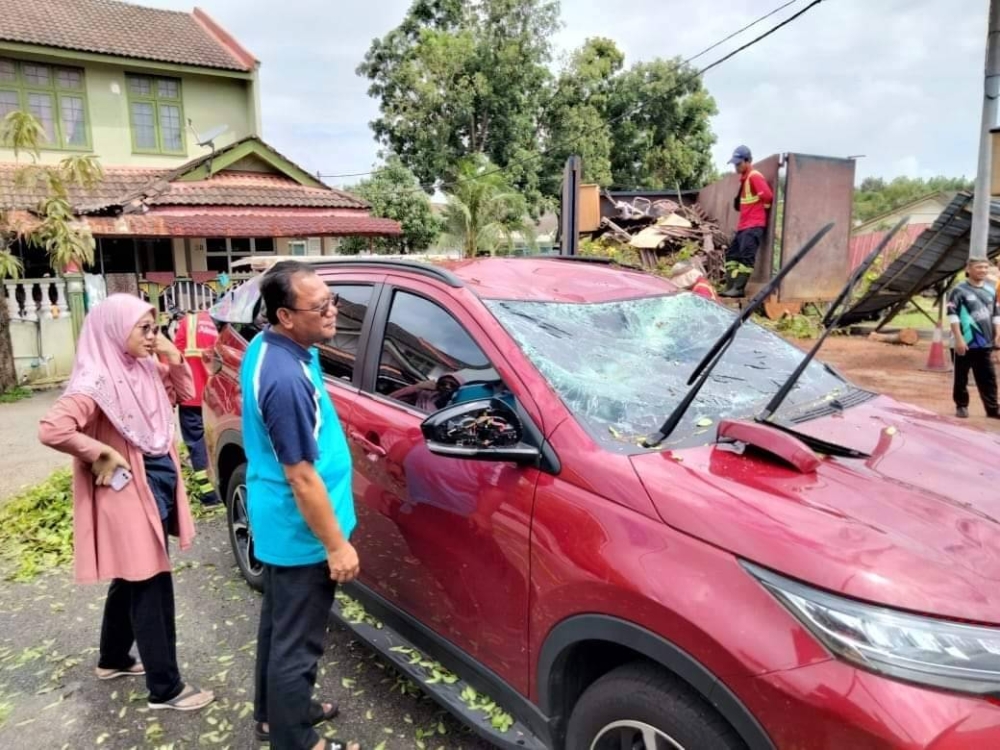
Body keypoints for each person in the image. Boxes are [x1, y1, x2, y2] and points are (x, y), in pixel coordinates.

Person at [37, 294, 214, 712]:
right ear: (116, 330)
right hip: (127, 488)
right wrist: (99, 451)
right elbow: (52, 428)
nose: (153, 336)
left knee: (133, 575)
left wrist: (172, 355)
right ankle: (165, 688)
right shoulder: (95, 381)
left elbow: (184, 393)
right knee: (151, 580)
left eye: (155, 328)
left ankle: (112, 658)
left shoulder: (144, 367)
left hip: (156, 478)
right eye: (145, 329)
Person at [242, 261, 361, 750]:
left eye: (331, 299)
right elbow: (302, 476)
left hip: (279, 523)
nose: (333, 312)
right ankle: (296, 740)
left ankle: (277, 714)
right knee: (298, 646)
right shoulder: (286, 378)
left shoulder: (275, 345)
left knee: (278, 629)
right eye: (321, 307)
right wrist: (336, 546)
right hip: (301, 533)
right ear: (286, 316)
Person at [172, 308, 220, 505]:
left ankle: (209, 495)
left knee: (196, 443)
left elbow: (173, 359)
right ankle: (222, 486)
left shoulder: (187, 323)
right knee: (216, 441)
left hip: (191, 397)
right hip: (216, 397)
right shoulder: (222, 324)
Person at [948, 258, 1000, 419]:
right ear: (969, 269)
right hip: (964, 343)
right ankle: (961, 406)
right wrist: (958, 338)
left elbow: (996, 313)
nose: (983, 270)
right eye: (979, 267)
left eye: (985, 267)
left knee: (988, 378)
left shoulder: (991, 290)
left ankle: (992, 409)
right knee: (961, 377)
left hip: (985, 343)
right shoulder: (959, 290)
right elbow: (952, 315)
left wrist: (997, 333)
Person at [721, 145, 773, 298]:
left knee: (746, 257)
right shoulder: (745, 179)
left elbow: (768, 197)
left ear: (747, 161)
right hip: (744, 225)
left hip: (753, 225)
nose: (736, 167)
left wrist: (761, 211)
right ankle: (730, 286)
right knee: (732, 256)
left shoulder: (754, 176)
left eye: (738, 164)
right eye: (735, 164)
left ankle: (738, 289)